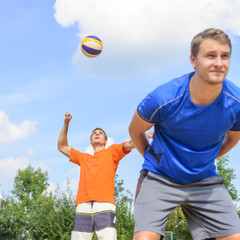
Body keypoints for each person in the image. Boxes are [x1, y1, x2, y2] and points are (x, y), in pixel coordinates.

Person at [129, 28, 240, 240]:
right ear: (193, 60)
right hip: (160, 178)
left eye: (224, 56)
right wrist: (153, 159)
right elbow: (135, 130)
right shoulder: (164, 97)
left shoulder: (235, 102)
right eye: (210, 55)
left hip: (204, 180)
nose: (218, 62)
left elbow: (234, 137)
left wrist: (207, 159)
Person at [58, 112, 147, 240]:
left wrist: (143, 137)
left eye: (100, 133)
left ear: (105, 141)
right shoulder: (83, 158)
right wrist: (66, 123)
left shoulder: (111, 152)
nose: (97, 133)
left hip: (105, 205)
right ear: (91, 141)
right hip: (83, 206)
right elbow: (61, 146)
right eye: (94, 133)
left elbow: (129, 144)